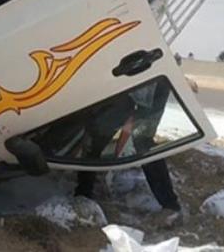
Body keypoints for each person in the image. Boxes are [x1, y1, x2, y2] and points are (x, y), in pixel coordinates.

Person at [73, 79, 181, 212]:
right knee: (97, 136)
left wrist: (130, 123)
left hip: (150, 83)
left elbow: (133, 122)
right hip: (128, 82)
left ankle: (170, 205)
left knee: (142, 141)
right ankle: (83, 193)